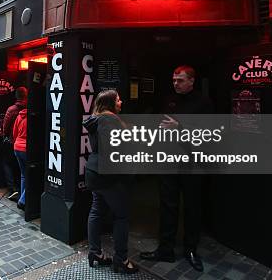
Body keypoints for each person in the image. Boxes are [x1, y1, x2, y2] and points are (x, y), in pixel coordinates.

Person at [140, 65, 213, 272]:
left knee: (192, 207)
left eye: (180, 80)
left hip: (192, 163)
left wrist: (179, 128)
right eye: (173, 80)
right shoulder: (168, 100)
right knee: (167, 205)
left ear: (191, 80)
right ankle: (166, 249)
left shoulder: (203, 103)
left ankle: (190, 249)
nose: (176, 83)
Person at [84, 89, 138, 274]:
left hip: (94, 171)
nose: (121, 102)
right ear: (110, 103)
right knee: (121, 216)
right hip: (108, 175)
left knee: (96, 210)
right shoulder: (110, 120)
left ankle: (95, 253)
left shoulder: (96, 119)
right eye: (118, 99)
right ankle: (121, 260)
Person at [0, 87, 28, 201]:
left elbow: (6, 127)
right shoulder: (29, 109)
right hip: (24, 144)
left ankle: (13, 189)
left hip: (14, 143)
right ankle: (21, 194)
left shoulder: (12, 109)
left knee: (7, 164)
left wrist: (3, 132)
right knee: (22, 170)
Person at [12, 105, 28, 210]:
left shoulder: (20, 116)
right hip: (26, 148)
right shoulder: (31, 117)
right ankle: (22, 201)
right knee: (33, 176)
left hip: (17, 147)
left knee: (24, 175)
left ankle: (23, 199)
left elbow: (14, 132)